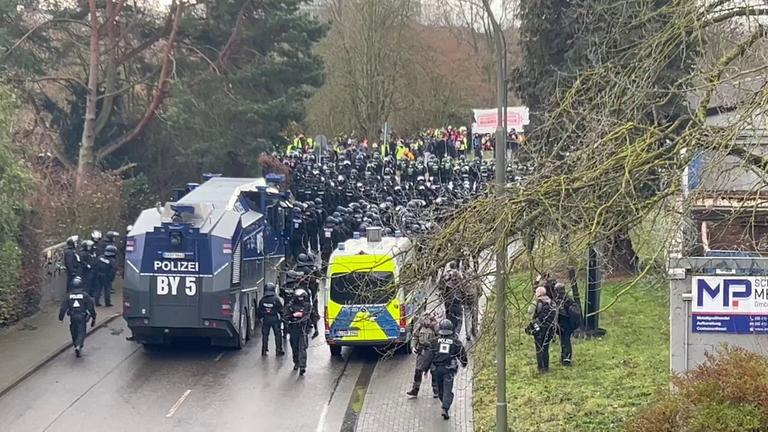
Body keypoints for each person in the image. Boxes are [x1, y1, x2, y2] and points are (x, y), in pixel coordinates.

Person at [426, 319, 468, 420]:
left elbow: (429, 356)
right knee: (447, 390)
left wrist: (425, 368)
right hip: (449, 369)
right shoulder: (456, 342)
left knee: (440, 390)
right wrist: (464, 363)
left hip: (437, 370)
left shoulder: (434, 342)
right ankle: (445, 407)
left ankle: (444, 404)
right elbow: (462, 354)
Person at [58, 276, 96, 357]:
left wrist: (61, 317)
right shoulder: (85, 295)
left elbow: (63, 308)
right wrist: (93, 316)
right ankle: (78, 345)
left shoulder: (69, 295)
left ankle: (75, 344)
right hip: (82, 316)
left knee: (74, 331)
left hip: (72, 316)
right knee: (81, 331)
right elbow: (91, 307)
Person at [283, 288, 318, 375]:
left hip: (303, 330)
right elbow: (285, 317)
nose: (300, 299)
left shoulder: (307, 306)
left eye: (302, 297)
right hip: (293, 330)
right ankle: (296, 363)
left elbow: (313, 316)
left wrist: (316, 329)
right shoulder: (290, 306)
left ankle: (302, 366)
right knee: (294, 347)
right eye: (299, 298)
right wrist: (292, 316)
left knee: (302, 348)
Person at [407, 312, 439, 398]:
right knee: (418, 371)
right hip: (422, 351)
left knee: (434, 371)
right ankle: (415, 389)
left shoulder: (435, 327)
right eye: (425, 319)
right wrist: (413, 346)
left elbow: (439, 338)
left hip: (432, 352)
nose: (426, 321)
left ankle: (436, 390)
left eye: (428, 319)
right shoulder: (420, 327)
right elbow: (415, 337)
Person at [527, 286, 556, 373]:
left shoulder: (537, 302)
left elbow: (529, 311)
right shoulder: (551, 301)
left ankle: (541, 368)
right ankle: (546, 367)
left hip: (539, 328)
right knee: (546, 348)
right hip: (549, 328)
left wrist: (534, 300)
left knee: (539, 348)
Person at [553, 282, 579, 366]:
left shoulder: (560, 301)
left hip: (563, 325)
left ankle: (566, 358)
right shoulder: (569, 299)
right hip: (570, 324)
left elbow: (561, 313)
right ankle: (564, 356)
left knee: (565, 341)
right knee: (565, 341)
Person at [257, 283, 285, 356]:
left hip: (265, 319)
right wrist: (283, 318)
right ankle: (278, 350)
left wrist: (260, 318)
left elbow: (259, 310)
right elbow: (281, 310)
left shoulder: (262, 300)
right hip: (274, 319)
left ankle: (264, 350)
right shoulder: (276, 299)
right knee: (278, 334)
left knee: (265, 335)